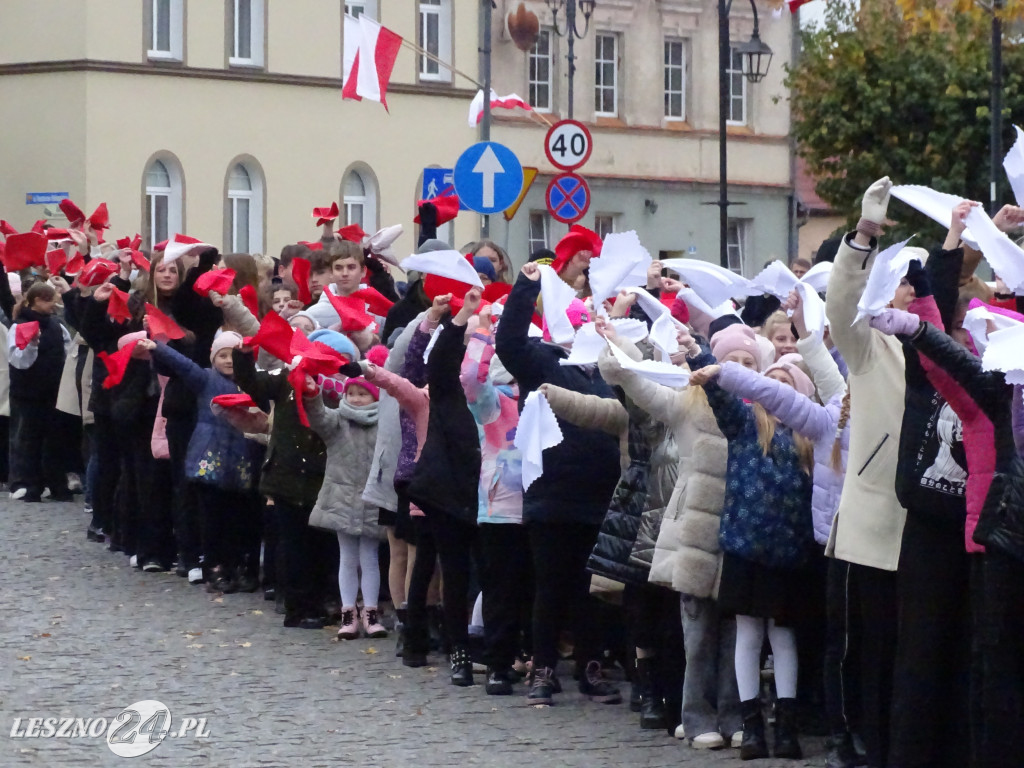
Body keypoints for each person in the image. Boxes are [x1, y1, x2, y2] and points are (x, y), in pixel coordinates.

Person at [495, 261, 622, 706]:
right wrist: (526, 286)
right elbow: (508, 342)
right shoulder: (543, 361)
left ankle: (590, 666)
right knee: (550, 585)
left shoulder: (611, 370)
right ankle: (543, 669)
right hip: (552, 492)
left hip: (601, 493)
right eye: (575, 322)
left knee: (593, 587)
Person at [687, 354, 816, 761]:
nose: (775, 389)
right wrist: (706, 366)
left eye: (785, 382)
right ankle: (752, 725)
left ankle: (787, 725)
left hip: (789, 554)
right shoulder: (746, 426)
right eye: (769, 381)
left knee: (783, 637)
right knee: (748, 635)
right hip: (746, 548)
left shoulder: (807, 436)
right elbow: (724, 399)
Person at [145, 331, 263, 592]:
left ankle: (237, 566)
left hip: (241, 458)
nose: (228, 361)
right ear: (214, 358)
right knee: (211, 518)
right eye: (222, 355)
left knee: (237, 518)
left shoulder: (253, 384)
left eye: (233, 355)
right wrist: (158, 348)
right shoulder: (206, 379)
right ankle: (215, 568)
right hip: (210, 457)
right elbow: (183, 365)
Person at [304, 369, 385, 640]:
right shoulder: (337, 420)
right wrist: (313, 395)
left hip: (373, 498)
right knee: (348, 557)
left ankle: (371, 612)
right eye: (351, 393)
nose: (357, 399)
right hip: (341, 496)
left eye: (363, 394)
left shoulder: (384, 421)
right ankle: (348, 612)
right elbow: (318, 417)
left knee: (370, 558)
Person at [7, 281, 73, 502]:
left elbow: (65, 350)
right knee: (30, 440)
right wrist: (32, 345)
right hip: (28, 393)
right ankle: (31, 484)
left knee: (55, 440)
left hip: (53, 389)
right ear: (37, 301)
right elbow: (18, 360)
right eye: (48, 300)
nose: (53, 304)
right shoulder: (19, 325)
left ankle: (56, 484)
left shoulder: (56, 325)